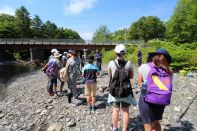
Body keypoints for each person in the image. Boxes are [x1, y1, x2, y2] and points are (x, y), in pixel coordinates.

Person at [138, 48, 173, 131]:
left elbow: (139, 83)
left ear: (153, 56)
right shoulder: (169, 71)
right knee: (156, 122)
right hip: (161, 100)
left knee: (147, 123)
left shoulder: (144, 67)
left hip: (146, 99)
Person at [108, 44, 136, 131]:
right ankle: (124, 129)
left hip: (114, 91)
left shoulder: (111, 63)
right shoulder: (129, 63)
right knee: (125, 111)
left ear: (115, 53)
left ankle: (115, 128)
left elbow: (110, 76)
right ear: (125, 53)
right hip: (126, 91)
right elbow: (131, 76)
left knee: (115, 110)